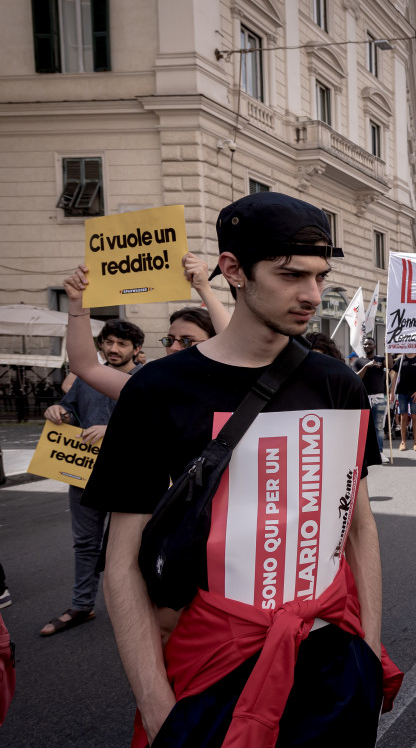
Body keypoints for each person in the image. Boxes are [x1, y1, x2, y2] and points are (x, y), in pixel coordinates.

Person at [82, 192, 390, 746]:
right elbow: (121, 561)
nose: (312, 296)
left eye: (320, 276)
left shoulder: (335, 383)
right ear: (233, 271)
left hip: (330, 659)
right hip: (212, 664)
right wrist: (155, 705)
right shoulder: (158, 391)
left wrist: (368, 648)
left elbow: (359, 526)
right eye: (291, 274)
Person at [39, 317, 144, 637]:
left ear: (135, 349)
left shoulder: (146, 379)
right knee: (85, 543)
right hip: (83, 472)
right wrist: (59, 412)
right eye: (108, 342)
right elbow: (71, 413)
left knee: (131, 548)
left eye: (122, 344)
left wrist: (112, 431)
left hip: (132, 478)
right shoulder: (86, 380)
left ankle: (138, 609)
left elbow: (157, 426)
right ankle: (82, 605)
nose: (113, 349)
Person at [62, 254, 230, 399]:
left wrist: (204, 288)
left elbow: (235, 344)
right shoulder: (157, 385)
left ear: (214, 342)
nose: (174, 347)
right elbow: (84, 366)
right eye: (169, 340)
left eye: (187, 341)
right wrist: (78, 302)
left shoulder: (232, 382)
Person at [389, 351, 416, 451]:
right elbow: (395, 376)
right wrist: (392, 393)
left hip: (414, 393)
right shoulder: (400, 359)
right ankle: (403, 442)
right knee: (403, 416)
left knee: (414, 416)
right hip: (402, 392)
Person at [355, 336, 389, 459]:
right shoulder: (358, 362)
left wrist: (388, 347)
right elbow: (356, 378)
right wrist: (366, 366)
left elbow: (390, 365)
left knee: (378, 426)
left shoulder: (380, 359)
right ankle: (364, 453)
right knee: (363, 426)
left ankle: (379, 452)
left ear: (374, 346)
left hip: (379, 397)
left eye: (369, 344)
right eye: (365, 344)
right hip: (363, 397)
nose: (367, 346)